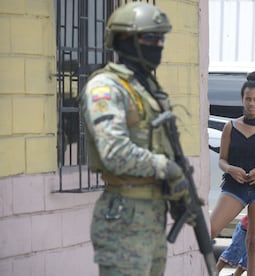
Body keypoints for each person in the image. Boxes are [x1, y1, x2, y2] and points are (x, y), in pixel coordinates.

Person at [80, 2, 191, 275]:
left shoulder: (148, 88)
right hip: (124, 216)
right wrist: (167, 169)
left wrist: (179, 188)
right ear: (124, 39)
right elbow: (115, 153)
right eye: (150, 38)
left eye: (161, 38)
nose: (158, 45)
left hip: (153, 213)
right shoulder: (105, 87)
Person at [210, 71, 255, 276]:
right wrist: (230, 169)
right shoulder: (230, 127)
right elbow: (222, 160)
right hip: (235, 187)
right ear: (242, 100)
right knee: (209, 230)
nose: (252, 103)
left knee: (253, 242)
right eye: (248, 99)